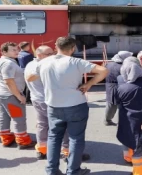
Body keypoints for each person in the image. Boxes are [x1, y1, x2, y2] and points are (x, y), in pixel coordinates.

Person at [29, 36, 108, 175]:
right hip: (76, 105)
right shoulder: (76, 62)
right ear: (73, 48)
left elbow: (29, 77)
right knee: (75, 139)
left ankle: (51, 170)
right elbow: (103, 71)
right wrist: (88, 84)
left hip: (53, 106)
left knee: (54, 137)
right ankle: (73, 170)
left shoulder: (43, 62)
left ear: (55, 46)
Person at [25, 45, 91, 161]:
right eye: (49, 54)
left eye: (53, 52)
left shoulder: (30, 64)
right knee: (63, 126)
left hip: (37, 99)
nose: (54, 55)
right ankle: (67, 151)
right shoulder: (45, 65)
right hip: (50, 100)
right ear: (39, 55)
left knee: (42, 124)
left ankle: (42, 149)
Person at [0, 42, 35, 149]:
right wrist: (19, 96)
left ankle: (6, 139)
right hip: (10, 96)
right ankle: (23, 141)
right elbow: (9, 81)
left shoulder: (2, 61)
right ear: (4, 52)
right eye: (13, 50)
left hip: (0, 94)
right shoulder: (8, 64)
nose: (17, 52)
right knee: (18, 118)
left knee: (4, 117)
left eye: (17, 49)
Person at [104, 51, 133, 126]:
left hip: (109, 86)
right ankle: (120, 122)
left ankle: (107, 120)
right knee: (122, 105)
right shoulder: (122, 67)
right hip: (119, 86)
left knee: (111, 104)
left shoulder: (109, 64)